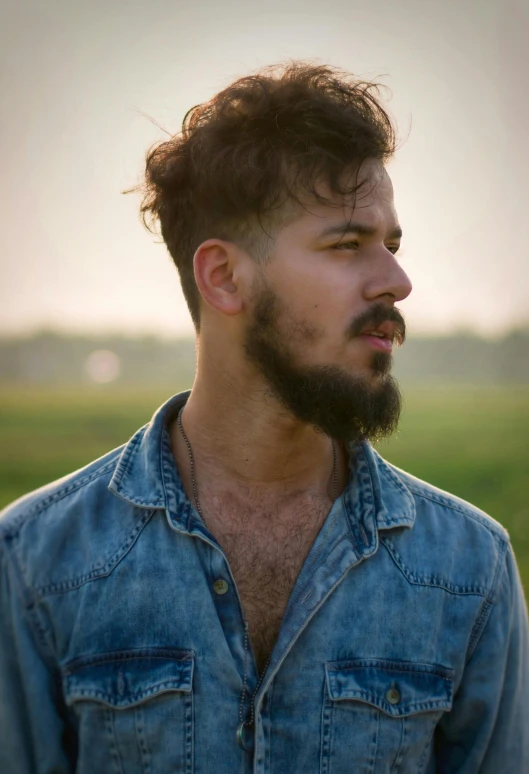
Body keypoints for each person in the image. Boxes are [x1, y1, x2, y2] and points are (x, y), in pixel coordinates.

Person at [0, 61, 527, 773]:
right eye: (346, 244)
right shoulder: (37, 560)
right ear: (223, 276)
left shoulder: (468, 569)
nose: (396, 282)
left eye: (391, 245)